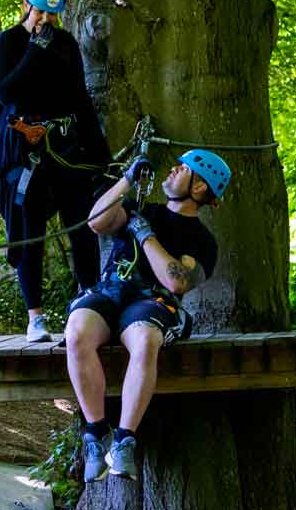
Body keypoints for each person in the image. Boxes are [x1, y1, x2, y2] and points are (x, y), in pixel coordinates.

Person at [62, 149, 232, 481]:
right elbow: (96, 222)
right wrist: (127, 179)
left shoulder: (203, 241)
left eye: (183, 169)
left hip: (152, 300)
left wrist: (144, 234)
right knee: (77, 331)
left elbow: (176, 280)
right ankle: (96, 435)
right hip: (111, 291)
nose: (172, 171)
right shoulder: (141, 208)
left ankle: (124, 441)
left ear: (199, 188)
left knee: (145, 339)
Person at [0, 0, 109, 343]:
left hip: (67, 149)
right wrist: (35, 50)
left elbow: (79, 99)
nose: (44, 20)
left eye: (51, 14)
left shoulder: (66, 45)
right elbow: (7, 94)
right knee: (29, 231)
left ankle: (86, 302)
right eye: (39, 11)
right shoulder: (7, 43)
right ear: (26, 5)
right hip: (25, 152)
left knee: (81, 224)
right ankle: (35, 317)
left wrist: (102, 156)